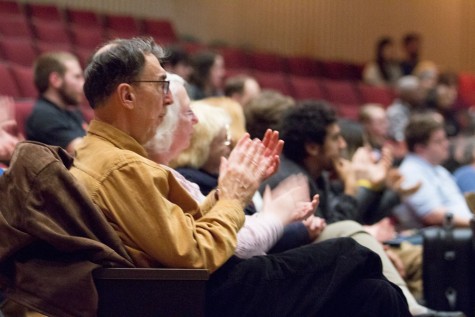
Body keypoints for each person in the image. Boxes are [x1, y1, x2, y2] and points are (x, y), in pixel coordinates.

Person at [71, 37, 411, 317]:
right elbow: (193, 254)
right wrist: (233, 198)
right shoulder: (120, 166)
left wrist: (230, 190)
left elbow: (185, 230)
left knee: (375, 295)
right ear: (127, 95)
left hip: (196, 285)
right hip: (200, 293)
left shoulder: (102, 154)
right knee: (353, 253)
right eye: (160, 84)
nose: (169, 97)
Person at [393, 113, 473, 229]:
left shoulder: (439, 170)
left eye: (445, 139)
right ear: (420, 148)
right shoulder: (410, 172)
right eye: (438, 141)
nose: (446, 144)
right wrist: (472, 223)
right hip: (442, 237)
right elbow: (431, 215)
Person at [25, 51, 86, 154]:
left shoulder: (72, 112)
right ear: (55, 80)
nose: (83, 83)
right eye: (77, 77)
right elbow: (85, 153)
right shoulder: (44, 116)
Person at [387, 75, 427, 142]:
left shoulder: (415, 108)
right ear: (406, 94)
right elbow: (398, 137)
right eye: (417, 91)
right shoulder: (395, 112)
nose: (421, 95)